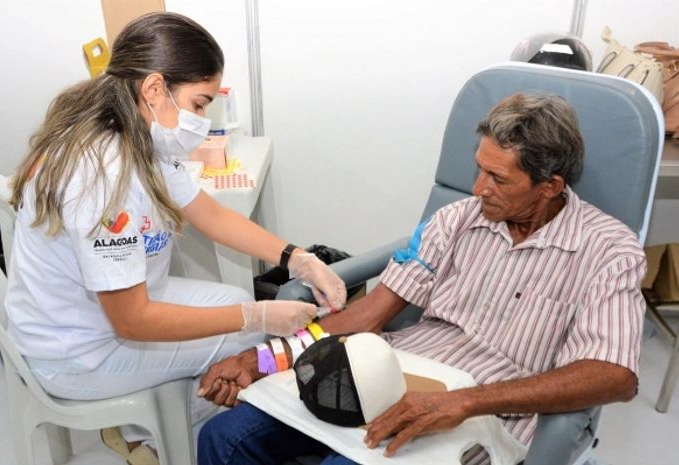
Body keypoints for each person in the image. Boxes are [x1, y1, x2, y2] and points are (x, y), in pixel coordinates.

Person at [195, 92, 646, 465]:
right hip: (390, 375)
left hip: (488, 415)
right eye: (479, 169)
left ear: (550, 186)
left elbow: (615, 375)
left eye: (498, 178)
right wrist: (263, 359)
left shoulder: (609, 252)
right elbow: (367, 316)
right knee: (224, 438)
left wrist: (465, 401)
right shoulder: (456, 220)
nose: (478, 188)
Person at [4, 12, 346, 465]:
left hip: (103, 309)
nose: (201, 119)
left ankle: (154, 425)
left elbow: (212, 215)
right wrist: (256, 316)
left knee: (234, 302)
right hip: (78, 350)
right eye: (199, 104)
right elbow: (133, 322)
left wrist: (296, 257)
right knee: (245, 340)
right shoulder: (101, 174)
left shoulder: (141, 134)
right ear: (154, 88)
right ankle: (166, 440)